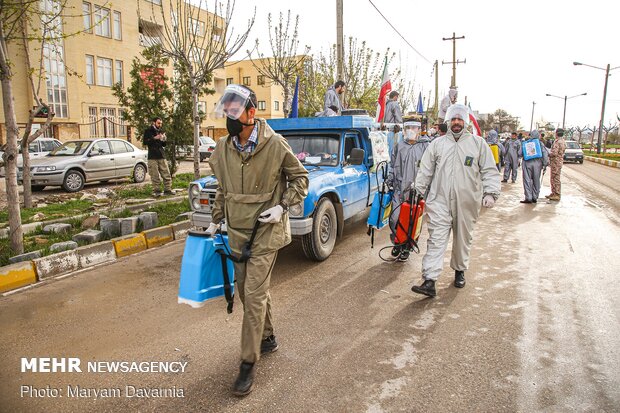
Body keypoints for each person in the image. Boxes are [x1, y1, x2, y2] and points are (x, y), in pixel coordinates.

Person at [208, 84, 309, 396]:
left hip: (266, 232)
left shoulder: (275, 144)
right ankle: (267, 337)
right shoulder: (224, 148)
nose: (230, 117)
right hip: (236, 234)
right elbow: (223, 188)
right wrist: (215, 220)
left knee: (252, 295)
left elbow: (301, 178)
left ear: (252, 113)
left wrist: (282, 207)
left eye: (236, 111)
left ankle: (247, 363)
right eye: (228, 111)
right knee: (246, 291)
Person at [411, 104, 500, 297]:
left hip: (467, 201)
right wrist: (418, 189)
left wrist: (491, 193)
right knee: (436, 240)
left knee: (462, 239)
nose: (456, 123)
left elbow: (489, 170)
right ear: (448, 122)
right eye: (453, 119)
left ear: (465, 121)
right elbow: (425, 170)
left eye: (460, 119)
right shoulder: (437, 144)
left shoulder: (478, 144)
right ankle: (429, 280)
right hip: (439, 200)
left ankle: (460, 271)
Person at [387, 121, 430, 261]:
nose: (410, 130)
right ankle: (397, 242)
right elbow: (392, 165)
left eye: (413, 128)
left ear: (419, 130)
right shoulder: (399, 146)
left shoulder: (425, 147)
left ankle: (407, 247)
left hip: (416, 192)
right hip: (399, 190)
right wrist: (390, 179)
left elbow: (430, 169)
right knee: (395, 218)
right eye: (408, 128)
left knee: (412, 221)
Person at [143, 116, 172, 196]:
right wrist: (154, 138)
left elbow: (163, 145)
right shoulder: (148, 131)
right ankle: (157, 191)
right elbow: (145, 142)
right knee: (154, 175)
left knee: (166, 173)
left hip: (161, 155)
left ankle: (168, 189)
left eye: (161, 123)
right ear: (154, 123)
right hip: (152, 156)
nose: (160, 125)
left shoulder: (161, 131)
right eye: (158, 123)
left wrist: (164, 139)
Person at [519, 129, 549, 204]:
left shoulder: (525, 143)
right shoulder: (540, 143)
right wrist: (545, 164)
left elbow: (519, 153)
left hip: (527, 163)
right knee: (536, 180)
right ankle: (535, 197)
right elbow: (545, 154)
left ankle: (528, 197)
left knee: (527, 180)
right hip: (538, 164)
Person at [546, 128, 566, 201]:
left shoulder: (558, 142)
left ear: (557, 133)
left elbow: (554, 153)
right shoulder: (563, 141)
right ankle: (554, 193)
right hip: (558, 162)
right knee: (554, 177)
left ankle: (556, 194)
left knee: (555, 178)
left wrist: (548, 153)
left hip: (556, 162)